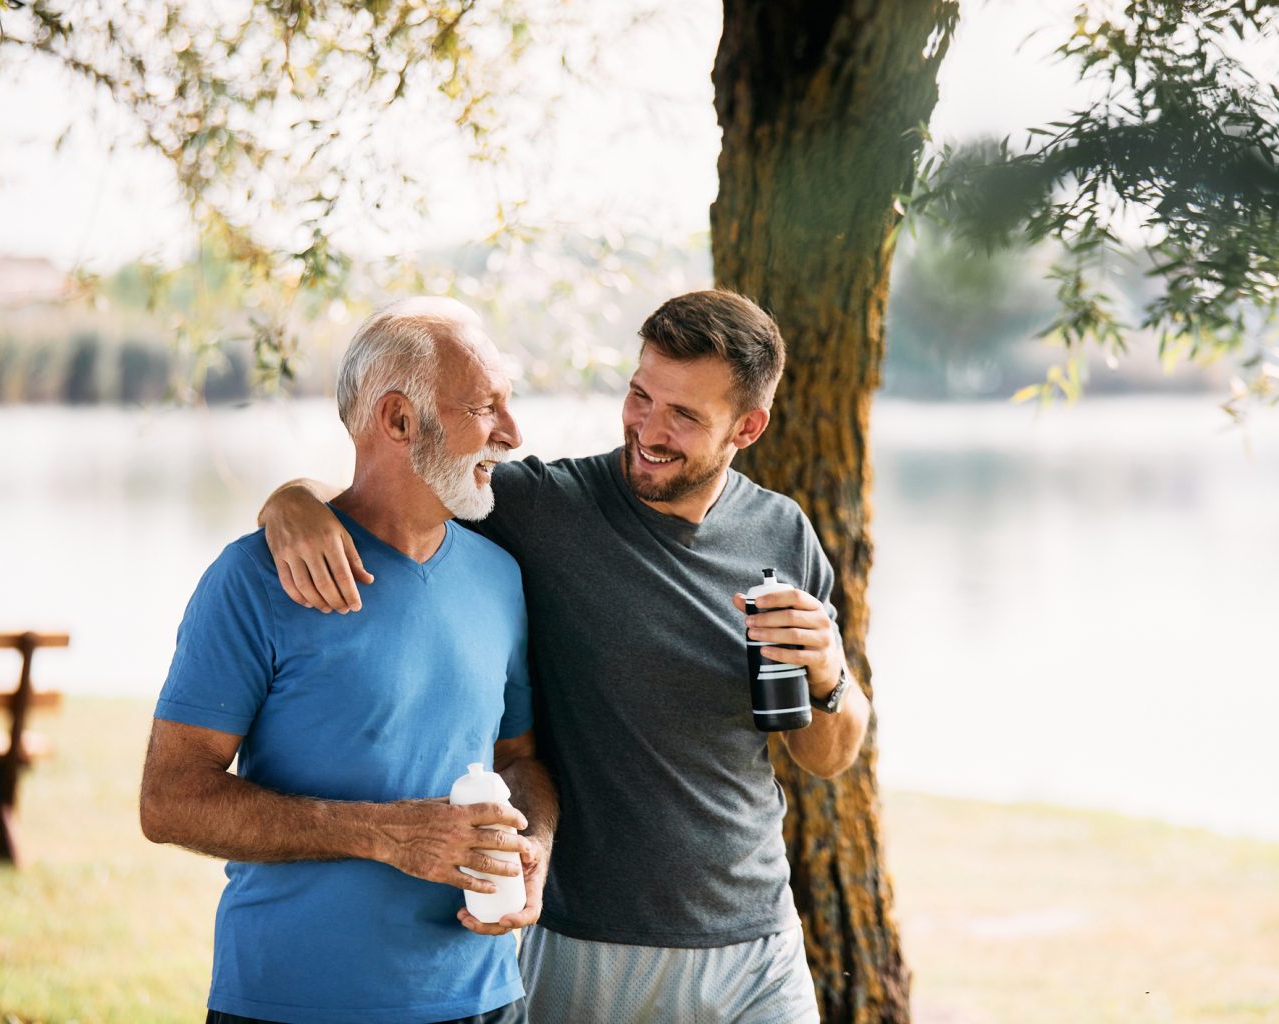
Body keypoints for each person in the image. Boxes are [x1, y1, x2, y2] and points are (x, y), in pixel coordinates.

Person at [260, 289, 872, 1023]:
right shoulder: (547, 507)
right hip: (588, 945)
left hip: (758, 945)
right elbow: (391, 491)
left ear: (748, 425)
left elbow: (827, 755)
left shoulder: (781, 532)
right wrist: (292, 499)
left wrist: (832, 678)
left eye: (684, 414)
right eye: (641, 395)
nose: (648, 427)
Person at [141, 297, 557, 1024]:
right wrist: (380, 833)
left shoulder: (501, 575)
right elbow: (169, 799)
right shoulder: (254, 580)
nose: (513, 435)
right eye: (485, 408)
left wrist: (537, 842)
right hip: (292, 1001)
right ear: (398, 420)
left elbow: (518, 756)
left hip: (486, 999)